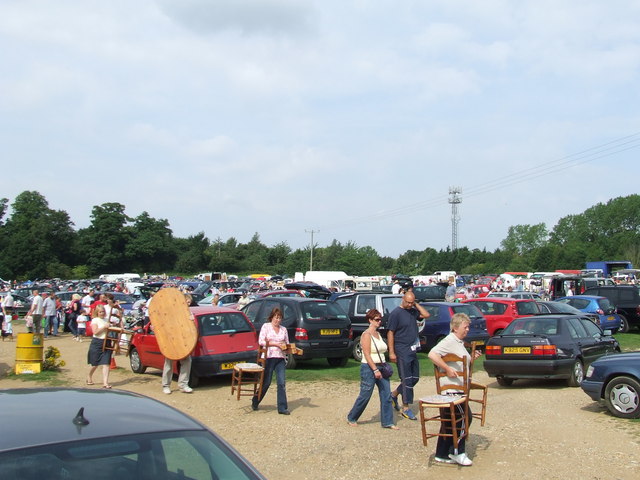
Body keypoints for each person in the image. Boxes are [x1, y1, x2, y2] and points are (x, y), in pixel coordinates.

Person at [427, 313, 482, 466]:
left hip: (458, 389)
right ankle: (457, 452)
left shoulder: (458, 342)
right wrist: (446, 368)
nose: (468, 330)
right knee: (465, 418)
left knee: (449, 422)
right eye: (465, 327)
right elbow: (432, 354)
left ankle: (442, 453)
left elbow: (460, 362)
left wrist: (472, 358)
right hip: (452, 391)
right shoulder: (449, 340)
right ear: (456, 327)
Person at [347, 309, 398, 429]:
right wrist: (375, 370)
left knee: (386, 395)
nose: (379, 322)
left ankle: (387, 421)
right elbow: (367, 354)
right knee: (365, 394)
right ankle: (352, 416)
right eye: (377, 320)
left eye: (380, 319)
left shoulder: (378, 334)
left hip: (382, 366)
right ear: (370, 320)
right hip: (369, 368)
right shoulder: (366, 335)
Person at [387, 291, 429, 420]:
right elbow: (390, 333)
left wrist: (415, 304)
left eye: (412, 302)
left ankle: (394, 395)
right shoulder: (396, 314)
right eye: (408, 302)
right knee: (406, 379)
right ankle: (406, 408)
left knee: (414, 378)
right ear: (402, 299)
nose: (410, 305)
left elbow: (426, 315)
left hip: (413, 349)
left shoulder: (412, 311)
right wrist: (392, 352)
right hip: (401, 349)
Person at [252, 307, 290, 415]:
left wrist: (287, 347)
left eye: (280, 318)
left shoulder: (283, 329)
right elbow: (261, 341)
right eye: (276, 318)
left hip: (280, 358)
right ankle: (256, 400)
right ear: (272, 317)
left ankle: (282, 407)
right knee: (266, 382)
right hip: (268, 357)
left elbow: (286, 343)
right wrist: (275, 344)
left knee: (281, 383)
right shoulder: (266, 326)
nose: (278, 320)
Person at [162, 293, 194, 394]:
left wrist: (191, 321)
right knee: (169, 363)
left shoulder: (189, 313)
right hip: (172, 341)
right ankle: (166, 385)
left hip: (184, 341)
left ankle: (183, 384)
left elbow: (191, 329)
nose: (188, 304)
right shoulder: (173, 312)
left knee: (187, 361)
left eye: (189, 302)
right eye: (187, 302)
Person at [87, 305, 118, 388]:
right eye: (100, 312)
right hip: (97, 342)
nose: (102, 313)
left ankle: (105, 383)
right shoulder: (95, 320)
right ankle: (89, 376)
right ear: (97, 312)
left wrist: (112, 326)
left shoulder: (107, 320)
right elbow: (95, 332)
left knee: (106, 363)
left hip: (107, 342)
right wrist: (104, 327)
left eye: (103, 311)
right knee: (95, 364)